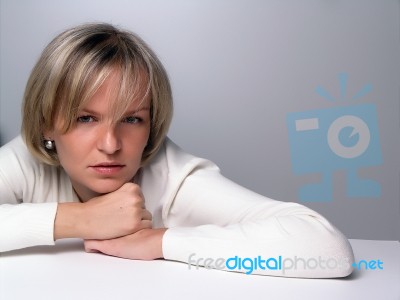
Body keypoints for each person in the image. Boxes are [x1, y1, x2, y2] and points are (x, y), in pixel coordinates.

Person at [0, 22, 354, 277]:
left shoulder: (174, 175)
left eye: (132, 120)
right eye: (86, 118)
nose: (110, 145)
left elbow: (327, 250)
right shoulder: (24, 161)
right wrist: (79, 219)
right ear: (47, 122)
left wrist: (160, 242)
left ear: (152, 123)